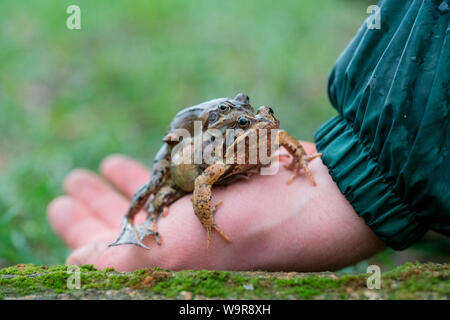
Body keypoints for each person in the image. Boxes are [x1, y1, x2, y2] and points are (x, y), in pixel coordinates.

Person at [47, 0, 449, 272]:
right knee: (154, 186)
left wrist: (312, 167)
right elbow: (203, 179)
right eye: (245, 122)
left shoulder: (263, 136)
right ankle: (133, 220)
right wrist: (204, 221)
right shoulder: (215, 147)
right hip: (181, 173)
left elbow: (283, 139)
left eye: (262, 118)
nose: (260, 124)